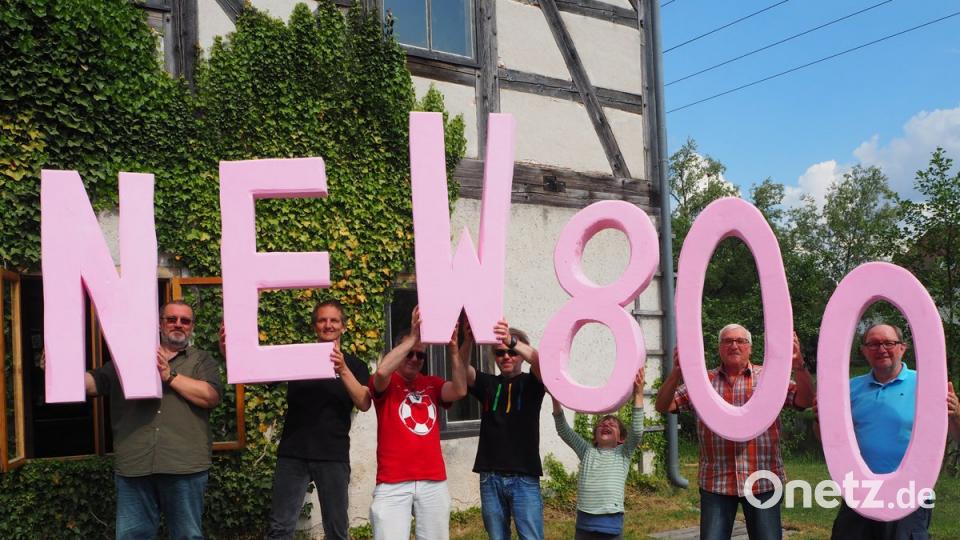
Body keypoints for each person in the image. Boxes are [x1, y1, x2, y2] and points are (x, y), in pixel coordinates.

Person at [654, 324, 814, 540]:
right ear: (719, 348)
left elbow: (804, 400)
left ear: (750, 347)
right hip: (717, 481)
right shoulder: (703, 381)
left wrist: (799, 365)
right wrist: (677, 373)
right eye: (727, 341)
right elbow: (664, 405)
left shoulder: (769, 377)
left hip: (762, 480)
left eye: (740, 341)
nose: (734, 345)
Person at [85, 299, 222, 540]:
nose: (178, 324)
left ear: (192, 327)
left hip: (185, 466)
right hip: (135, 465)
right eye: (171, 319)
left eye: (185, 320)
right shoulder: (129, 360)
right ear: (160, 324)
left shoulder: (202, 360)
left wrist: (169, 376)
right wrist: (59, 370)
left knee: (187, 536)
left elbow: (210, 396)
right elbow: (93, 384)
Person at [821, 323, 960, 539]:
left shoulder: (928, 385)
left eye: (889, 343)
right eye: (873, 344)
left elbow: (956, 437)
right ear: (864, 350)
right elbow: (830, 441)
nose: (881, 349)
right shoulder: (849, 388)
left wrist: (957, 414)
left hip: (909, 492)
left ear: (903, 347)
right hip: (859, 490)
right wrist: (822, 419)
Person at [264, 300, 371, 540]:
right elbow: (260, 377)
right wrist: (229, 352)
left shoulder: (355, 365)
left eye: (334, 320)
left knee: (336, 529)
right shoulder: (298, 359)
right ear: (315, 326)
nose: (328, 325)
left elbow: (364, 402)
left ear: (343, 327)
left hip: (333, 454)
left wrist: (342, 368)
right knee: (280, 528)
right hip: (293, 453)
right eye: (322, 320)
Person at [368, 306, 468, 540]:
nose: (414, 359)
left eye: (420, 355)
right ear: (398, 351)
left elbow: (460, 390)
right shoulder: (387, 382)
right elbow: (382, 372)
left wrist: (453, 350)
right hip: (393, 481)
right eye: (409, 353)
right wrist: (413, 337)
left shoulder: (431, 384)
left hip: (433, 480)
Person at [459, 319, 546, 540]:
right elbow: (460, 370)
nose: (506, 356)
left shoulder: (533, 382)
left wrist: (511, 340)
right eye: (499, 353)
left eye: (512, 352)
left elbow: (542, 362)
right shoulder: (488, 384)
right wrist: (467, 341)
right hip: (490, 477)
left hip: (524, 477)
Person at [552, 368, 645, 540]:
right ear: (595, 436)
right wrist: (555, 398)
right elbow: (563, 430)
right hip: (584, 523)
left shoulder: (623, 453)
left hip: (610, 524)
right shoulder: (587, 451)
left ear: (621, 438)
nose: (607, 423)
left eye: (613, 424)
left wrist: (638, 395)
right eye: (602, 423)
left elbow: (637, 431)